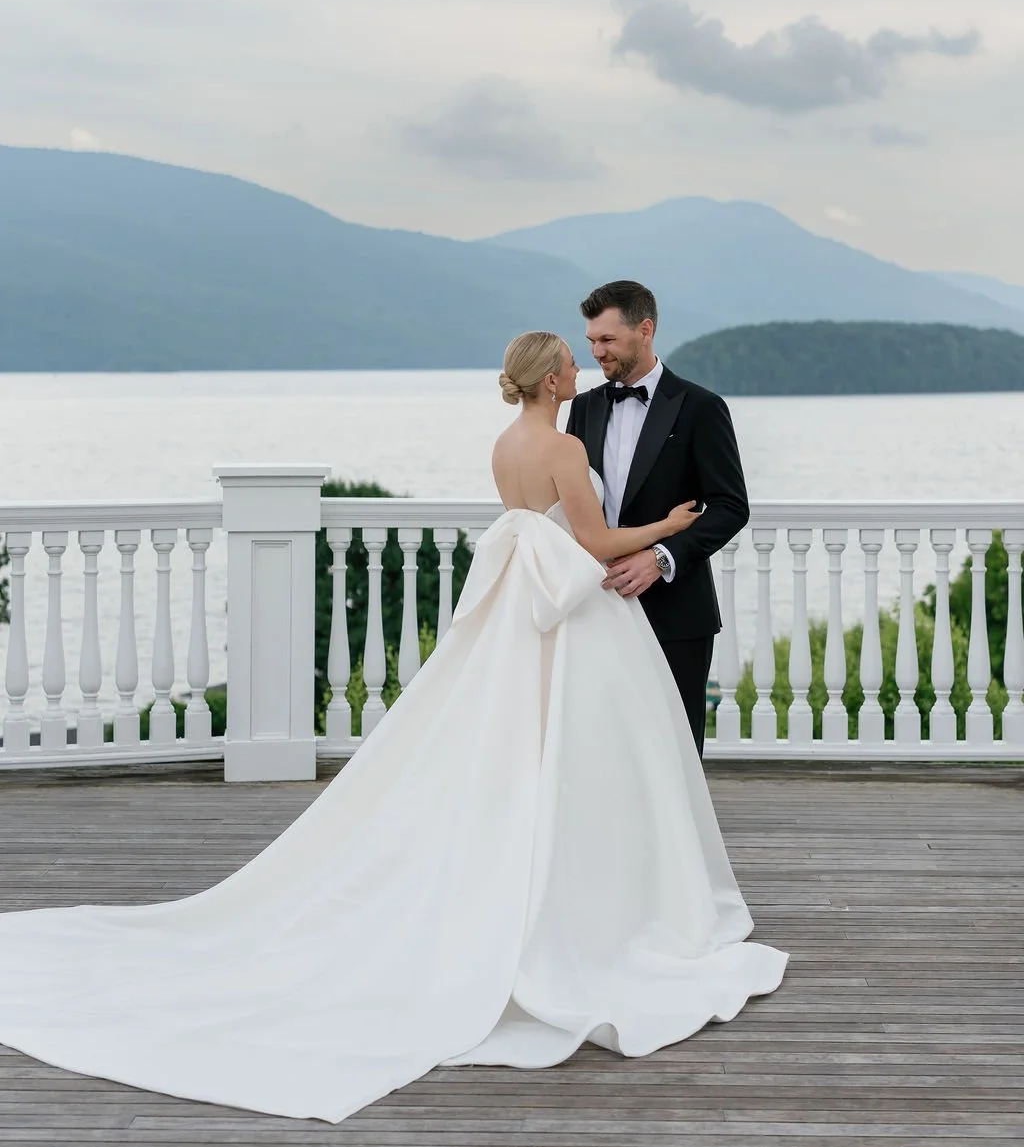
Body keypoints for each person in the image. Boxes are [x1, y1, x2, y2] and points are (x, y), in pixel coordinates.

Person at [0, 332, 785, 1124]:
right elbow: (593, 543)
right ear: (553, 378)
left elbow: (533, 528)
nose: (582, 370)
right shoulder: (563, 450)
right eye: (573, 363)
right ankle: (584, 891)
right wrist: (668, 524)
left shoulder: (505, 444)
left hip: (520, 608)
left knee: (506, 743)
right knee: (577, 749)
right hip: (571, 616)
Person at [566, 282, 750, 755]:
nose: (596, 351)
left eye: (606, 340)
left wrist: (662, 557)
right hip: (597, 604)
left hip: (676, 612)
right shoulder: (584, 408)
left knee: (675, 749)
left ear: (644, 330)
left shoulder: (701, 408)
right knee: (600, 745)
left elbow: (731, 506)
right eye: (591, 341)